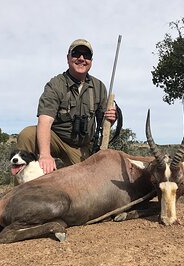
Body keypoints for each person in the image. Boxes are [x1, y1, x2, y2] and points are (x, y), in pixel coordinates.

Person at [16, 39, 117, 175]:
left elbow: (104, 122)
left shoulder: (99, 87)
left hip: (81, 146)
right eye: (76, 54)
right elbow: (45, 121)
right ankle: (22, 190)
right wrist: (45, 155)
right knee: (27, 135)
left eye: (86, 55)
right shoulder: (55, 85)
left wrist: (112, 118)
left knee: (87, 181)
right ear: (68, 58)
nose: (81, 59)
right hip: (57, 139)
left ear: (91, 61)